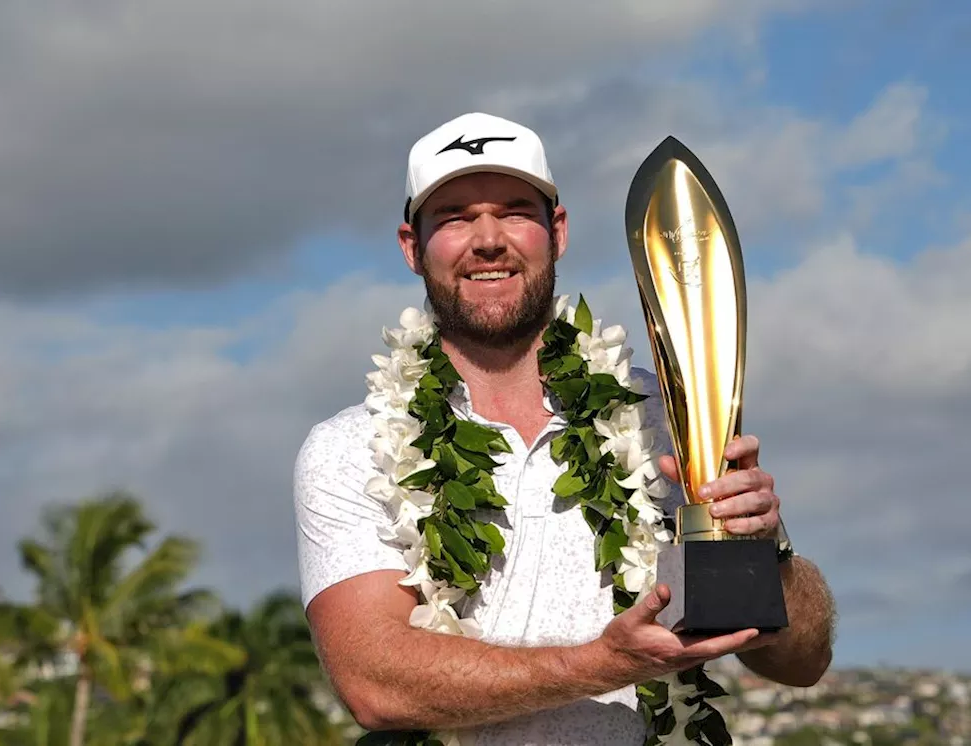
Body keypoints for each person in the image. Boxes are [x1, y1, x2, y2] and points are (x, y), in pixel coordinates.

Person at [294, 112, 836, 745]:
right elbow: (375, 684)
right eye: (456, 217)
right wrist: (607, 664)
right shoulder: (352, 447)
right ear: (412, 247)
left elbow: (801, 663)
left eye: (516, 212)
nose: (488, 239)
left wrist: (765, 549)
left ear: (558, 232)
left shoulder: (668, 415)